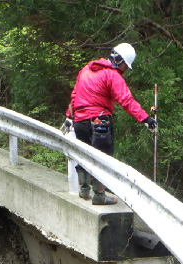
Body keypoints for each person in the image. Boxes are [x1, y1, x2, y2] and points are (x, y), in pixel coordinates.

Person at [64, 42, 157, 205]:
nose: (124, 70)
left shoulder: (86, 70)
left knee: (83, 153)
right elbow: (126, 100)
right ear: (120, 61)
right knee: (102, 157)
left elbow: (74, 96)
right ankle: (99, 195)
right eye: (125, 67)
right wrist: (146, 119)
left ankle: (84, 190)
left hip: (79, 120)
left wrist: (70, 116)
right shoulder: (112, 75)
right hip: (99, 120)